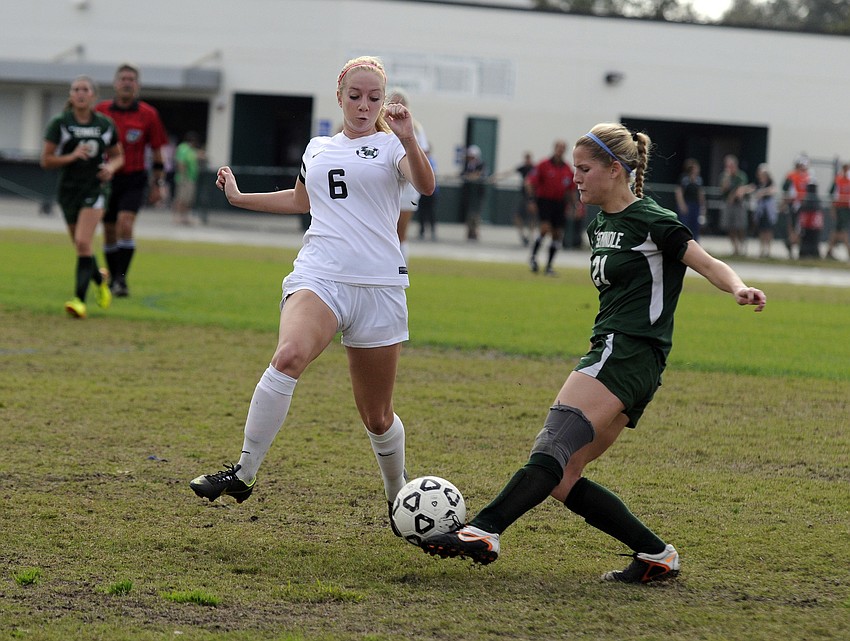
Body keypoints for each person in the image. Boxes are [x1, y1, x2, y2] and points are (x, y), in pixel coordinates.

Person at [421, 123, 766, 584]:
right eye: (574, 169)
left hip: (626, 352)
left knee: (552, 446)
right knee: (563, 477)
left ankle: (484, 529)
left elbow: (707, 263)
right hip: (627, 359)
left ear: (616, 170)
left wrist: (739, 288)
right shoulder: (599, 223)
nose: (576, 178)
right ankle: (655, 554)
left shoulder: (653, 220)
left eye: (584, 169)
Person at [189, 56, 435, 537]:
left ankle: (396, 496)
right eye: (356, 96)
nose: (364, 105)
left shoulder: (392, 145)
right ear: (340, 95)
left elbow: (425, 185)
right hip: (319, 275)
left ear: (384, 102)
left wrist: (407, 136)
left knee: (377, 416)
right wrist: (241, 198)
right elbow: (303, 201)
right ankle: (243, 472)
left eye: (374, 98)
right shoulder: (318, 147)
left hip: (380, 287)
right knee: (289, 355)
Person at [40, 75, 124, 319]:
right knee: (81, 245)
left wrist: (111, 168)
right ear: (70, 95)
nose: (80, 93)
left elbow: (118, 157)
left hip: (95, 189)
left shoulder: (105, 124)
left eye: (84, 89)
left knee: (83, 242)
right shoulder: (60, 123)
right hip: (69, 191)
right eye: (75, 89)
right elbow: (46, 160)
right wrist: (72, 155)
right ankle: (100, 279)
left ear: (93, 95)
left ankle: (78, 300)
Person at [96, 63, 169, 297]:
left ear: (137, 85)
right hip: (106, 179)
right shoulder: (101, 111)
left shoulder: (148, 114)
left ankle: (121, 279)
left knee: (125, 224)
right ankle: (113, 277)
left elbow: (158, 151)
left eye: (132, 79)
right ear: (116, 84)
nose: (127, 83)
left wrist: (158, 184)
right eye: (123, 78)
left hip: (135, 178)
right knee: (108, 230)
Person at [387, 88, 430, 263]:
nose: (397, 106)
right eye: (393, 102)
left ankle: (401, 268)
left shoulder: (415, 128)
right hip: (388, 184)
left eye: (401, 103)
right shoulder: (382, 127)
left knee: (400, 232)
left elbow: (423, 155)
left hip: (407, 187)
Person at [527, 140, 576, 275]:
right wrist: (531, 200)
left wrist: (574, 205)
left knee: (557, 235)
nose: (560, 150)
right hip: (545, 201)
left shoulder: (567, 169)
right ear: (554, 148)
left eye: (562, 148)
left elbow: (571, 190)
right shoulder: (544, 165)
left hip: (560, 203)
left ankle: (549, 266)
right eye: (558, 147)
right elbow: (530, 182)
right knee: (544, 229)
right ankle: (533, 258)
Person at [745, 163, 779, 258]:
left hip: (768, 210)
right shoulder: (758, 183)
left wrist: (762, 192)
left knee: (768, 230)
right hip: (760, 210)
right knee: (761, 230)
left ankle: (768, 250)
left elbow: (773, 190)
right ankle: (762, 249)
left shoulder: (770, 183)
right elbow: (750, 188)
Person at [781, 155, 811, 259]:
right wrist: (784, 203)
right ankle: (792, 247)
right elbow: (786, 190)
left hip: (803, 206)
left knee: (799, 230)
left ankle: (792, 245)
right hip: (794, 205)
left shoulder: (807, 177)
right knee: (793, 227)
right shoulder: (791, 176)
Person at [172, 131, 204, 226]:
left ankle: (185, 216)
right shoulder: (183, 148)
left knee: (188, 198)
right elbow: (181, 162)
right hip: (184, 178)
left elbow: (198, 155)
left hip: (191, 178)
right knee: (181, 197)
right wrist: (183, 176)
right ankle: (177, 216)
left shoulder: (191, 150)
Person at [719, 154, 749, 256]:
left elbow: (741, 189)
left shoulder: (741, 175)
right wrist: (727, 178)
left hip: (738, 204)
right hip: (728, 204)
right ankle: (735, 248)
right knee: (729, 226)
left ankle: (742, 246)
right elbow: (723, 189)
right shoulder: (724, 176)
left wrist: (732, 196)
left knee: (739, 226)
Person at [673, 158, 705, 241]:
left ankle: (695, 241)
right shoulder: (684, 178)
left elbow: (700, 193)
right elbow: (679, 192)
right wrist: (682, 205)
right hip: (687, 203)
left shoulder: (698, 179)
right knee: (685, 224)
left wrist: (702, 206)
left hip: (695, 204)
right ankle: (683, 240)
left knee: (695, 225)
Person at [460, 145, 487, 241]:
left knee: (476, 214)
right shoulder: (468, 165)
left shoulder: (481, 164)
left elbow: (477, 175)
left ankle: (475, 232)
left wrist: (470, 176)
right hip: (469, 193)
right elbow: (463, 175)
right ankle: (469, 231)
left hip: (478, 193)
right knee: (469, 213)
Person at [825, 163, 850, 260]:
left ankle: (829, 251)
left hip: (847, 208)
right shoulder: (838, 180)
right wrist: (833, 208)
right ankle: (847, 251)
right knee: (841, 230)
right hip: (840, 207)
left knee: (837, 231)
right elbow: (831, 193)